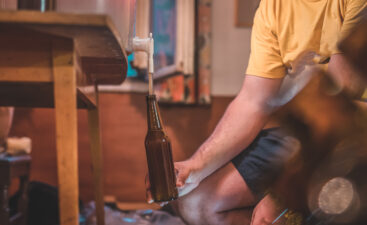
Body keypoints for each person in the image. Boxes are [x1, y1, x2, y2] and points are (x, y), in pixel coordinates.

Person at [147, 0, 367, 224]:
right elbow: (254, 101)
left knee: (329, 206)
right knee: (195, 203)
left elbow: (342, 101)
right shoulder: (272, 6)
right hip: (299, 130)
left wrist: (280, 198)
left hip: (356, 127)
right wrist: (196, 166)